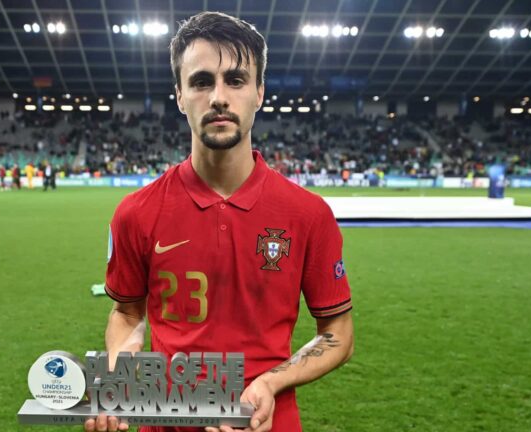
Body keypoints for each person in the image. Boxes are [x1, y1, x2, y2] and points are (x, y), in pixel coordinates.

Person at [85, 12, 354, 432]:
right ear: (179, 95)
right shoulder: (136, 212)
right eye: (201, 81)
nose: (219, 97)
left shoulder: (308, 213)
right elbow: (127, 314)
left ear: (259, 92)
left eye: (236, 80)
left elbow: (338, 332)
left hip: (268, 422)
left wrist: (271, 382)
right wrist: (122, 376)